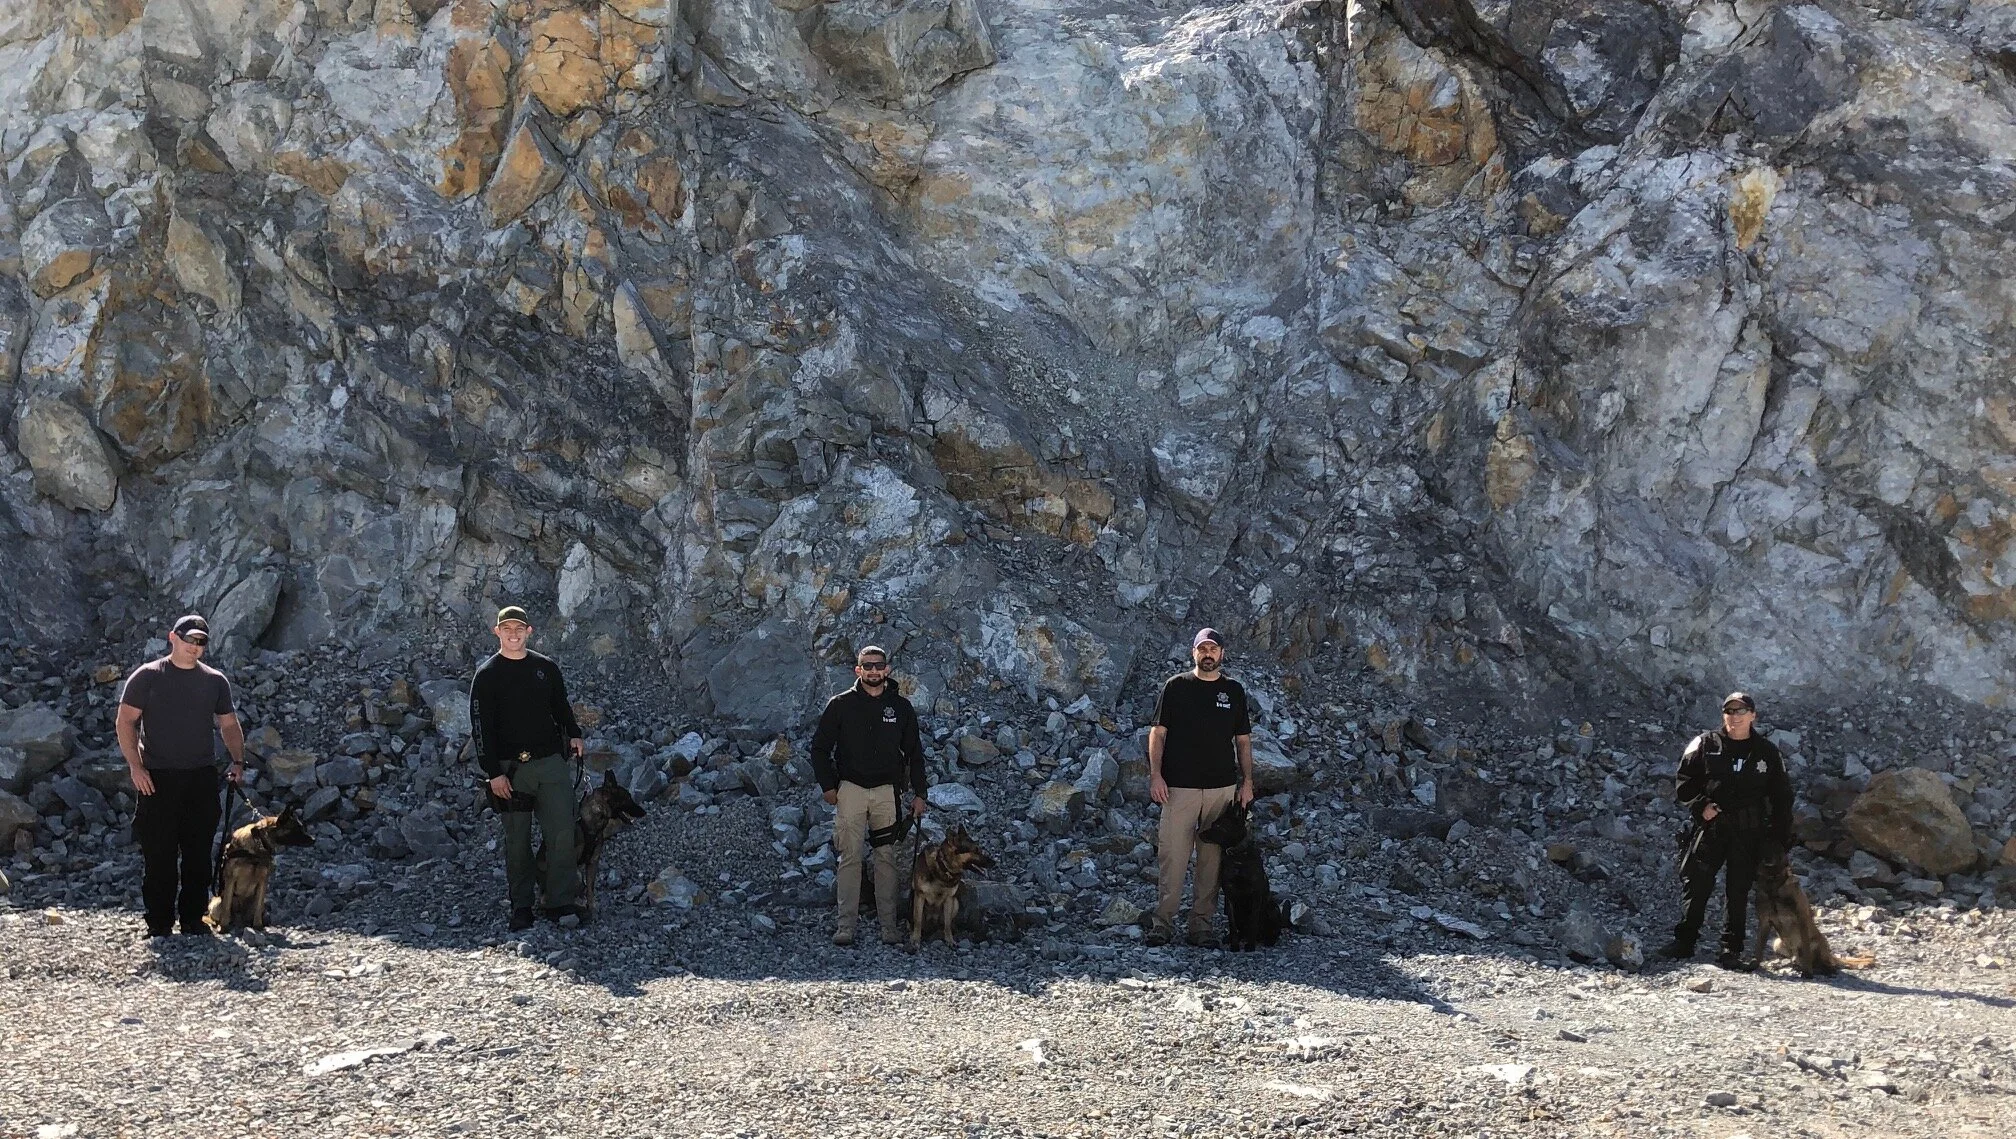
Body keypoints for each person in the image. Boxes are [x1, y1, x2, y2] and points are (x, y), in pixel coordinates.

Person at [117, 615, 245, 938]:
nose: (194, 647)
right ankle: (159, 923)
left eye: (201, 642)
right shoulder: (147, 676)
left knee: (198, 853)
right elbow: (125, 721)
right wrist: (135, 767)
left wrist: (238, 761)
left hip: (201, 778)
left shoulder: (215, 681)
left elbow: (228, 724)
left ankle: (193, 919)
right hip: (156, 778)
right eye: (189, 639)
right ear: (172, 637)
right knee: (158, 854)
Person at [470, 605, 586, 932]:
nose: (513, 634)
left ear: (529, 631)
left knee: (562, 832)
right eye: (506, 629)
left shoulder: (545, 668)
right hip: (510, 770)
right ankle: (521, 905)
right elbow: (480, 728)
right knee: (517, 840)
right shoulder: (487, 675)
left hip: (550, 764)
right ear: (497, 632)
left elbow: (560, 707)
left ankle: (559, 901)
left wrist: (575, 734)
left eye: (518, 629)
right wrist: (493, 773)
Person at [1661, 691, 1794, 970]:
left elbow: (1782, 797)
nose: (1735, 717)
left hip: (1748, 833)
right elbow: (1684, 781)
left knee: (1738, 890)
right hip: (1712, 828)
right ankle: (1684, 942)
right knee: (1697, 884)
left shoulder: (1767, 752)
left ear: (1753, 715)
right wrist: (1700, 806)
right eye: (1730, 711)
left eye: (1741, 711)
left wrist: (1779, 839)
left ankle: (1730, 949)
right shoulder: (1704, 744)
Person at [809, 644, 927, 946]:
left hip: (887, 792)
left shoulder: (901, 708)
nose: (874, 671)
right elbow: (819, 748)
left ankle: (889, 927)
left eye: (878, 665)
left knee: (885, 858)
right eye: (867, 666)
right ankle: (845, 926)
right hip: (851, 790)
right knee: (850, 857)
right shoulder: (840, 705)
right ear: (858, 670)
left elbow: (915, 753)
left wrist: (920, 793)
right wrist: (828, 787)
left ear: (887, 669)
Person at [1145, 627, 1255, 948]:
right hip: (1178, 788)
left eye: (1213, 649)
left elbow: (1243, 742)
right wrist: (1155, 776)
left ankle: (1201, 926)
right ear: (1193, 652)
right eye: (1202, 649)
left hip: (1221, 790)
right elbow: (1157, 734)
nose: (1208, 654)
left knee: (1212, 861)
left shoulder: (1233, 691)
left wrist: (1247, 782)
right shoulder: (1175, 687)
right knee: (1172, 856)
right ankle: (1163, 923)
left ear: (1222, 653)